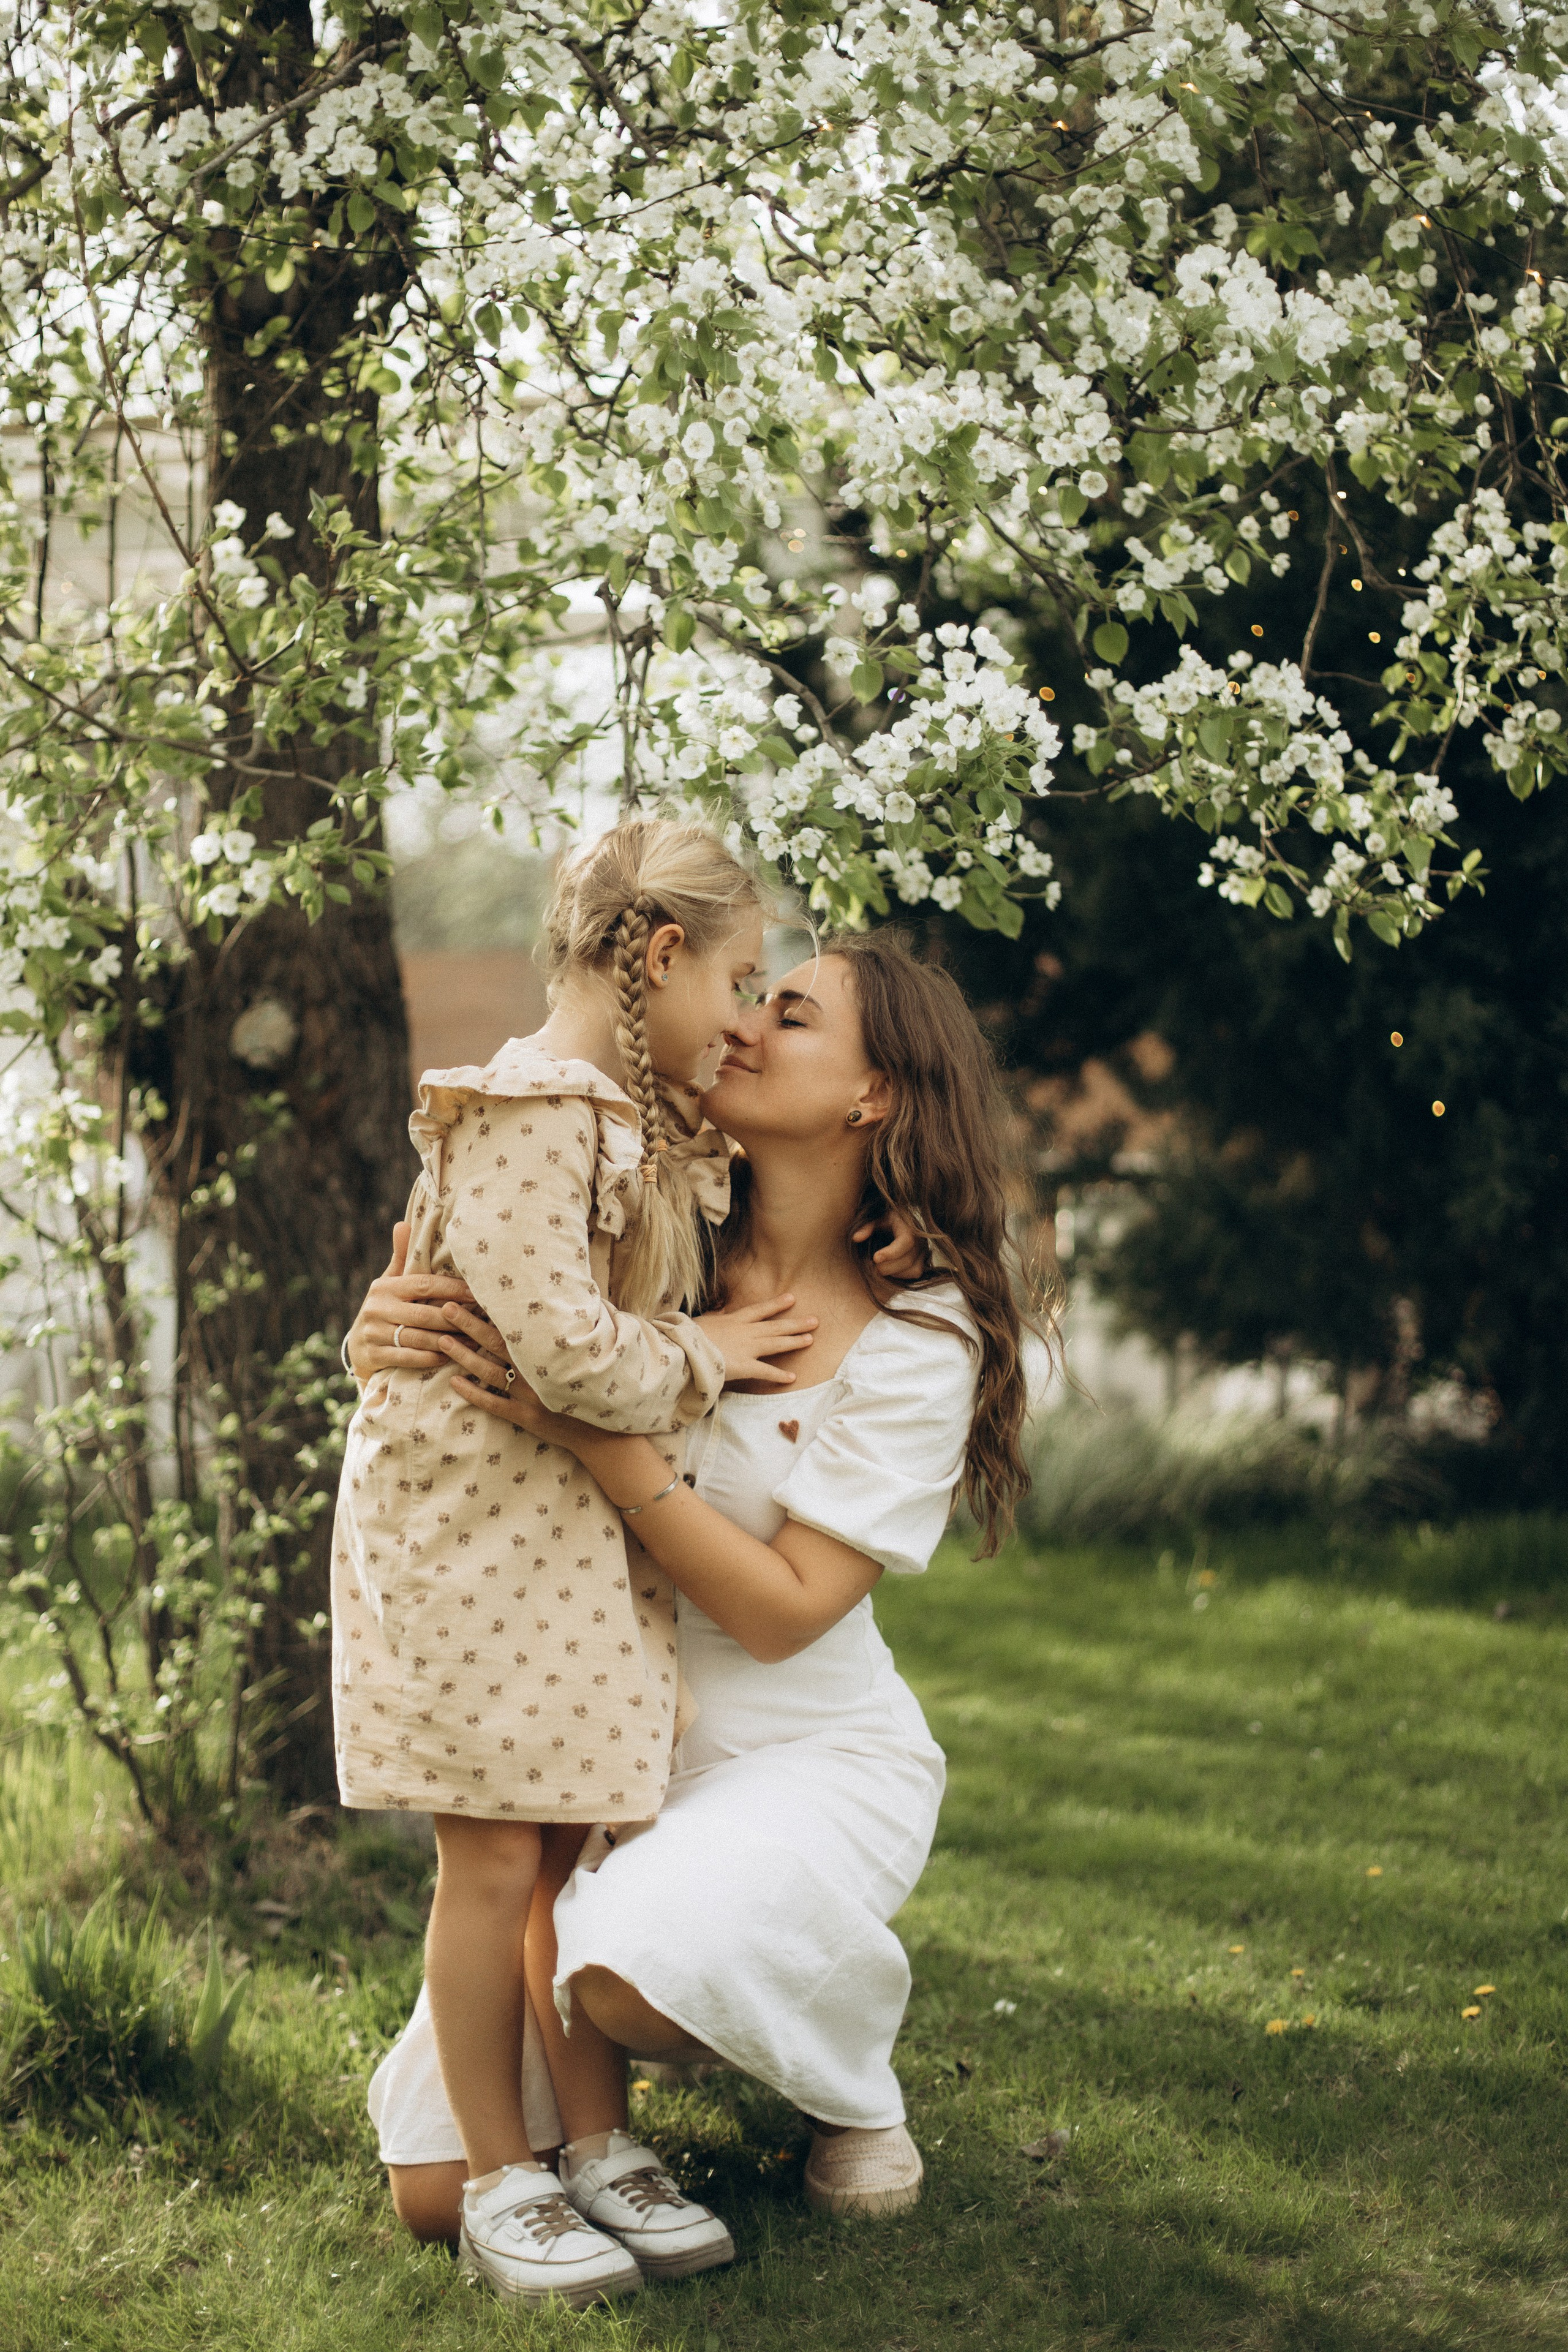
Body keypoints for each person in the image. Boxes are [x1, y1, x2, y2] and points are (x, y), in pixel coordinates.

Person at [349, 930, 1045, 2244]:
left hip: (799, 1749)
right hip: (589, 1740)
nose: (740, 1025)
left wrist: (590, 1432)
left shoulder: (919, 1329)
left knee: (632, 1979)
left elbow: (781, 1613)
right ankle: (652, 2050)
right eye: (744, 995)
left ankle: (847, 2074)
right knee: (436, 2195)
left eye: (788, 1014)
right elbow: (476, 1323)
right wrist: (381, 1339)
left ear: (872, 1096)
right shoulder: (640, 1220)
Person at [332, 817, 824, 2307]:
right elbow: (551, 1344)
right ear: (659, 956)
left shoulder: (636, 1126)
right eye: (740, 980)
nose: (746, 1018)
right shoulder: (534, 1109)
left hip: (547, 1532)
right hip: (473, 1537)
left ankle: (595, 2145)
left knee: (558, 1842)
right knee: (491, 1853)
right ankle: (501, 2179)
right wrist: (707, 1352)